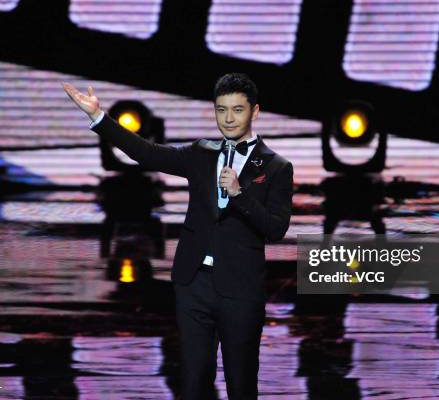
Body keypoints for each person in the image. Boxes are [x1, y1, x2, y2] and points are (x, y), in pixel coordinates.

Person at [62, 73, 293, 399]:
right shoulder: (201, 153)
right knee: (193, 382)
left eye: (237, 110)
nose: (228, 119)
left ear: (255, 112)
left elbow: (275, 229)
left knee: (240, 384)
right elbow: (146, 152)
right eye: (221, 110)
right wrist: (99, 118)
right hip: (193, 283)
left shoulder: (277, 167)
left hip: (240, 289)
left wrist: (240, 196)